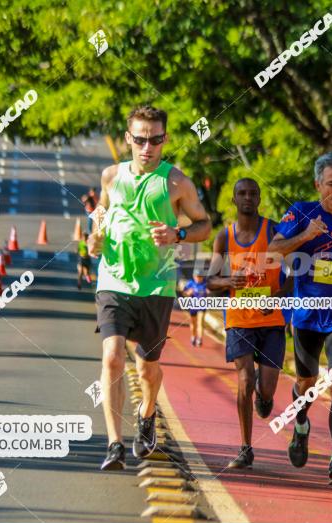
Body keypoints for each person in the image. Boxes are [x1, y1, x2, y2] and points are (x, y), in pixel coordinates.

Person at [89, 105, 211, 471]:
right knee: (112, 356)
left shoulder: (177, 183)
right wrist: (94, 238)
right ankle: (114, 444)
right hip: (113, 280)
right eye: (140, 139)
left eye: (155, 139)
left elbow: (204, 223)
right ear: (128, 139)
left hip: (156, 286)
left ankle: (147, 411)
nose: (147, 147)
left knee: (147, 369)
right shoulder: (111, 176)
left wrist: (179, 233)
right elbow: (101, 214)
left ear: (164, 140)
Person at [269, 152, 332, 485]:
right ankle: (301, 425)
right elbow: (274, 250)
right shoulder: (300, 211)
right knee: (307, 383)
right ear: (317, 184)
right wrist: (306, 236)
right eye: (330, 184)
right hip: (306, 314)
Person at [207, 177, 290, 469]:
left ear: (259, 198)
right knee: (245, 379)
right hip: (239, 319)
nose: (247, 198)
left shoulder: (275, 231)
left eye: (253, 193)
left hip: (271, 320)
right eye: (241, 193)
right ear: (234, 200)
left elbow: (292, 276)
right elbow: (210, 282)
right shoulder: (223, 237)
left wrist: (276, 297)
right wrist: (229, 280)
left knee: (265, 389)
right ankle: (245, 448)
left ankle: (264, 399)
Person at [182, 273, 208, 346]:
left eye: (200, 276)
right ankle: (193, 336)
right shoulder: (191, 283)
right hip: (193, 306)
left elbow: (212, 290)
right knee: (193, 323)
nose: (198, 278)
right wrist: (188, 293)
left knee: (200, 322)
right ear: (194, 276)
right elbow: (184, 292)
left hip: (202, 306)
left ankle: (199, 339)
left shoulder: (206, 283)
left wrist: (209, 291)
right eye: (196, 276)